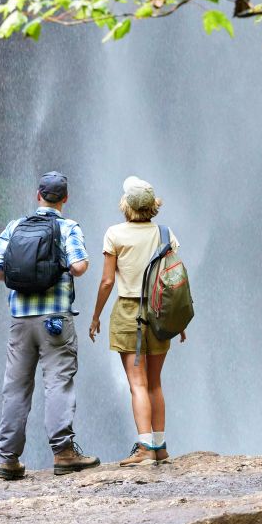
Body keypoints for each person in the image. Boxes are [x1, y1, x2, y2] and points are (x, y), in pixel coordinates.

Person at [0, 171, 101, 480]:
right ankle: (63, 454)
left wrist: (22, 278)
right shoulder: (67, 227)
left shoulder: (15, 226)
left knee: (16, 387)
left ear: (38, 196)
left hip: (21, 320)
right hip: (56, 321)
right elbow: (79, 266)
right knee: (58, 383)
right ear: (65, 198)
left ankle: (8, 459)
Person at [88, 176, 185, 466]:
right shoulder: (166, 234)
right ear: (152, 206)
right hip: (159, 313)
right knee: (155, 382)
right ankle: (160, 446)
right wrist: (180, 321)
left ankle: (144, 448)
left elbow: (107, 281)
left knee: (137, 384)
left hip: (129, 313)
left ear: (126, 206)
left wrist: (95, 316)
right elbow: (174, 281)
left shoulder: (114, 234)